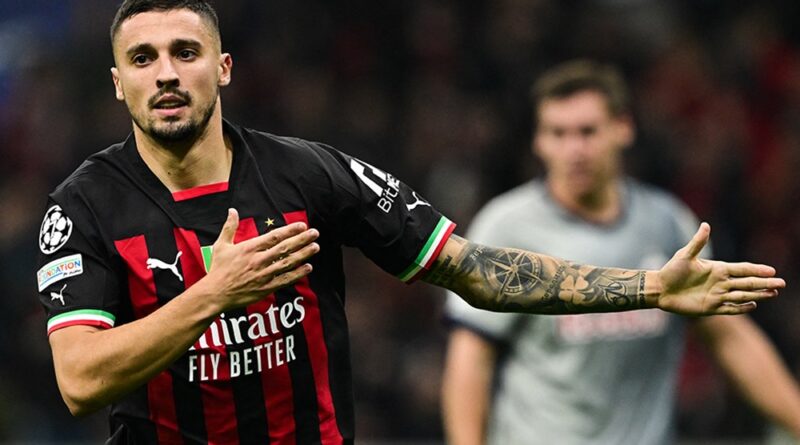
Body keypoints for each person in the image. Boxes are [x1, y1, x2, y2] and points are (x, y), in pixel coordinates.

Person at [34, 2, 784, 443]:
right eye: (143, 58)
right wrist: (212, 295)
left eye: (185, 52)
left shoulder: (308, 173)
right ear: (118, 83)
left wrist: (649, 286)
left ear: (223, 68)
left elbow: (474, 270)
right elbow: (79, 379)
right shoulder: (83, 208)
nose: (166, 72)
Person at [441, 60, 800, 445]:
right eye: (558, 133)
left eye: (587, 131)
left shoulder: (669, 225)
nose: (574, 149)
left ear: (623, 128)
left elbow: (730, 338)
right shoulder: (506, 228)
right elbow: (470, 360)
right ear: (539, 141)